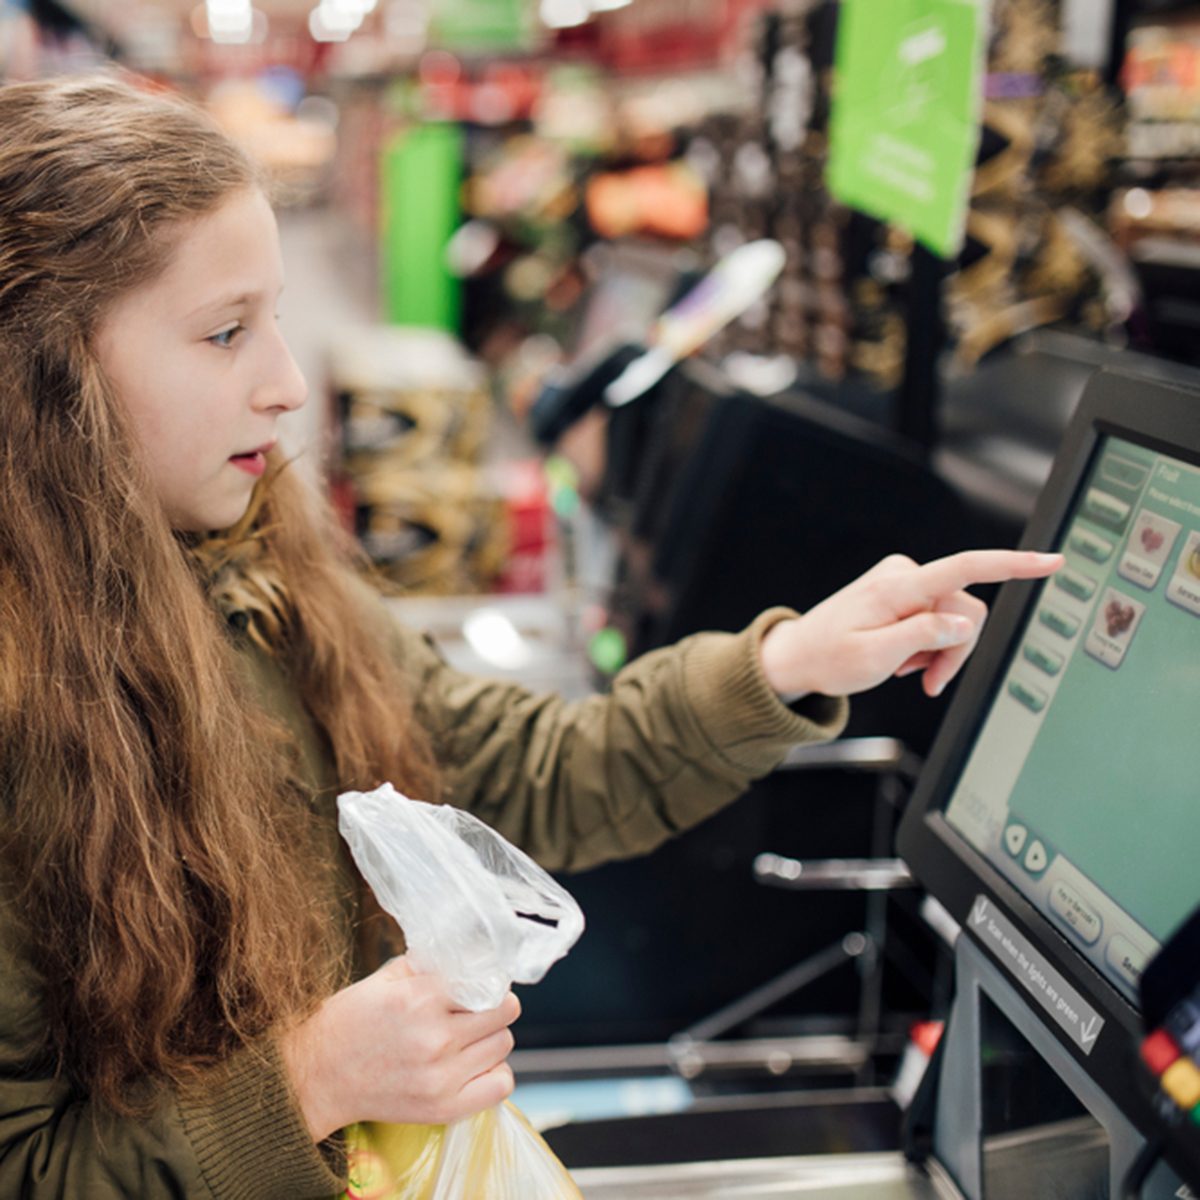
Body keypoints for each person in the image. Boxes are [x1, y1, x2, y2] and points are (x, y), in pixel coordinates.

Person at [0, 73, 1062, 1199]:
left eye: (274, 319)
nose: (289, 384)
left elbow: (521, 771)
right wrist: (307, 1081)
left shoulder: (260, 569)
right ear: (42, 378)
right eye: (224, 333)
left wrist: (786, 666)